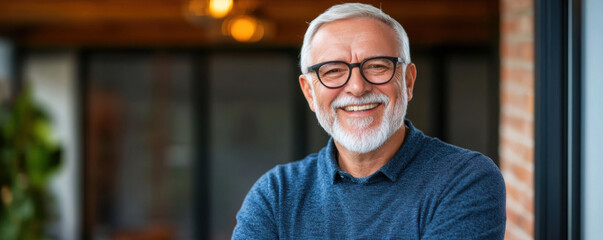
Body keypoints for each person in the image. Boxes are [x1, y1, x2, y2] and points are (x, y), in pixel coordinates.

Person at [232, 3, 506, 239]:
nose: (357, 87)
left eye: (377, 66)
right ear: (309, 93)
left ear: (408, 81)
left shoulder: (466, 180)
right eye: (334, 70)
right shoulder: (276, 194)